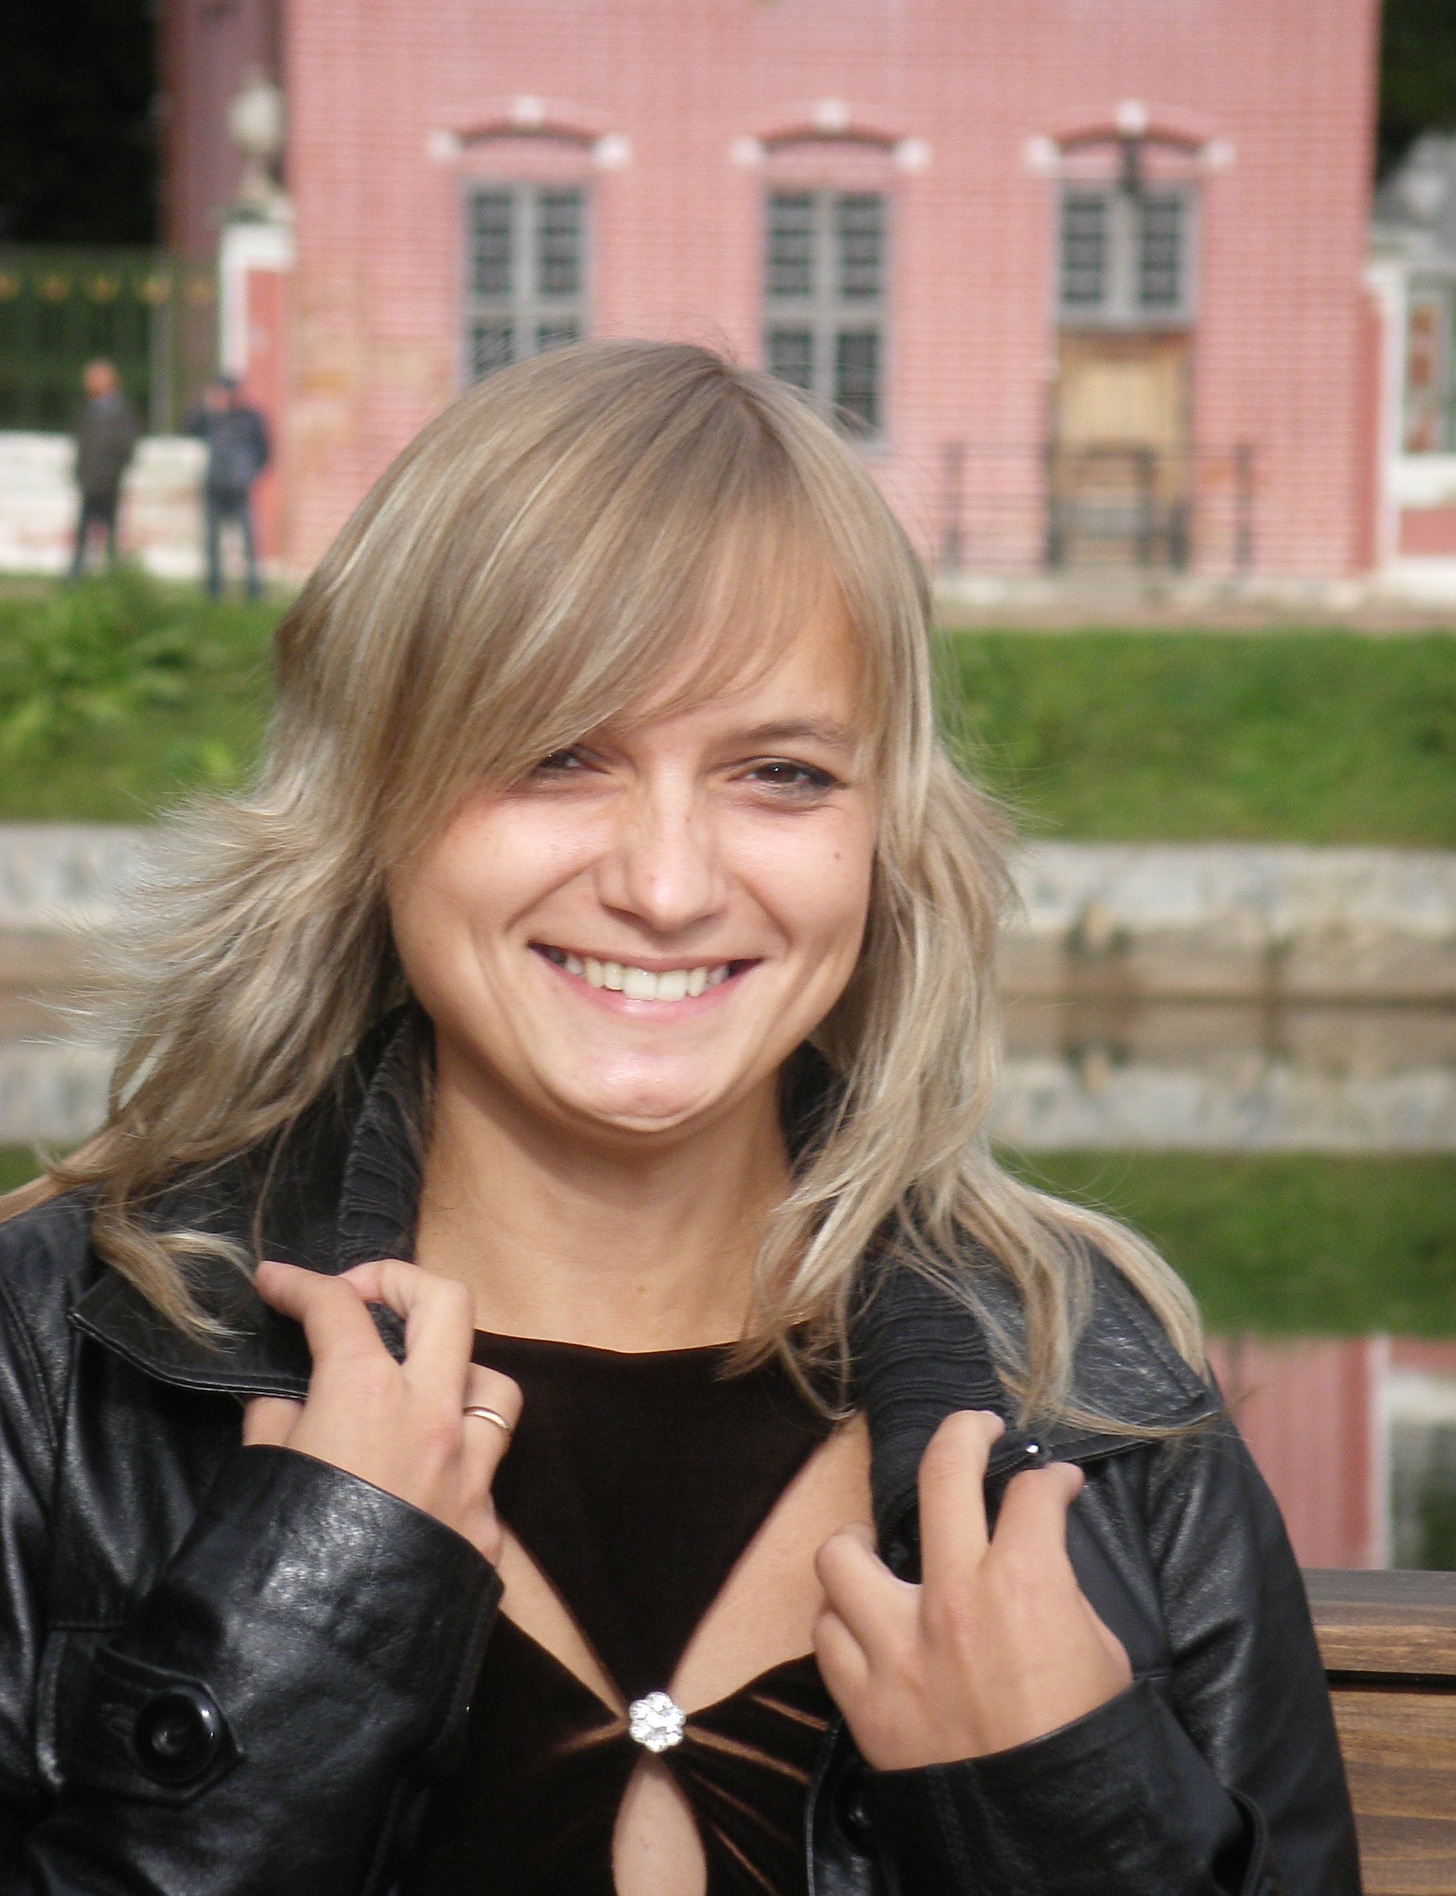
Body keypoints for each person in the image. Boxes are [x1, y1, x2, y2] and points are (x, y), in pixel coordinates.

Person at [0, 343, 1359, 1895]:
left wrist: (1060, 1814)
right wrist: (297, 1650)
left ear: (887, 835)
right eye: (556, 757)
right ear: (372, 796)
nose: (666, 885)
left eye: (781, 773)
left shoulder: (1096, 1389)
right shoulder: (54, 1362)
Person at [185, 373, 270, 599]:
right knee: (213, 540)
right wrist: (207, 408)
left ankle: (253, 587)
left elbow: (264, 451)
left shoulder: (250, 418)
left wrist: (249, 474)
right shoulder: (211, 417)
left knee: (249, 540)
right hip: (214, 486)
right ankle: (214, 588)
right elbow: (190, 429)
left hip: (239, 488)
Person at [68, 359, 139, 577]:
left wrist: (112, 471)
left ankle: (113, 575)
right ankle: (77, 574)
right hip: (89, 482)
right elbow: (82, 445)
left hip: (108, 482)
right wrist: (80, 473)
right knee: (83, 531)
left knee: (111, 531)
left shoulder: (121, 411)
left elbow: (127, 446)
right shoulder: (89, 411)